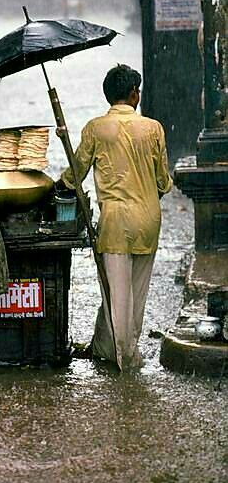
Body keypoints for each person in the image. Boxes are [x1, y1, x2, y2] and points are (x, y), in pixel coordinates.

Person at [59, 64, 172, 370]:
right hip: (148, 219)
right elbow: (163, 182)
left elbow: (74, 175)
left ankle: (124, 356)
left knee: (117, 293)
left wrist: (59, 181)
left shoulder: (95, 129)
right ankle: (114, 348)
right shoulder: (153, 129)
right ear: (134, 94)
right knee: (136, 292)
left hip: (114, 222)